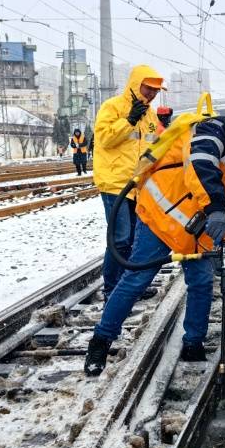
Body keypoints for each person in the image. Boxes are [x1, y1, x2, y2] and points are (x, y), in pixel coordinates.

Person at [84, 92, 225, 376]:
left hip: (195, 226)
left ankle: (193, 343)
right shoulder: (213, 131)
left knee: (201, 282)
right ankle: (100, 341)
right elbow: (201, 166)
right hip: (162, 216)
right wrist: (217, 209)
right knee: (137, 280)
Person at [93, 65, 164, 300]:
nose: (151, 94)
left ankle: (129, 287)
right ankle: (112, 290)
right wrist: (129, 120)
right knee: (120, 239)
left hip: (138, 185)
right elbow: (104, 138)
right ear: (135, 84)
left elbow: (155, 146)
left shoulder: (151, 115)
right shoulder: (112, 107)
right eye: (148, 88)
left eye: (155, 91)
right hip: (115, 183)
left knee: (135, 239)